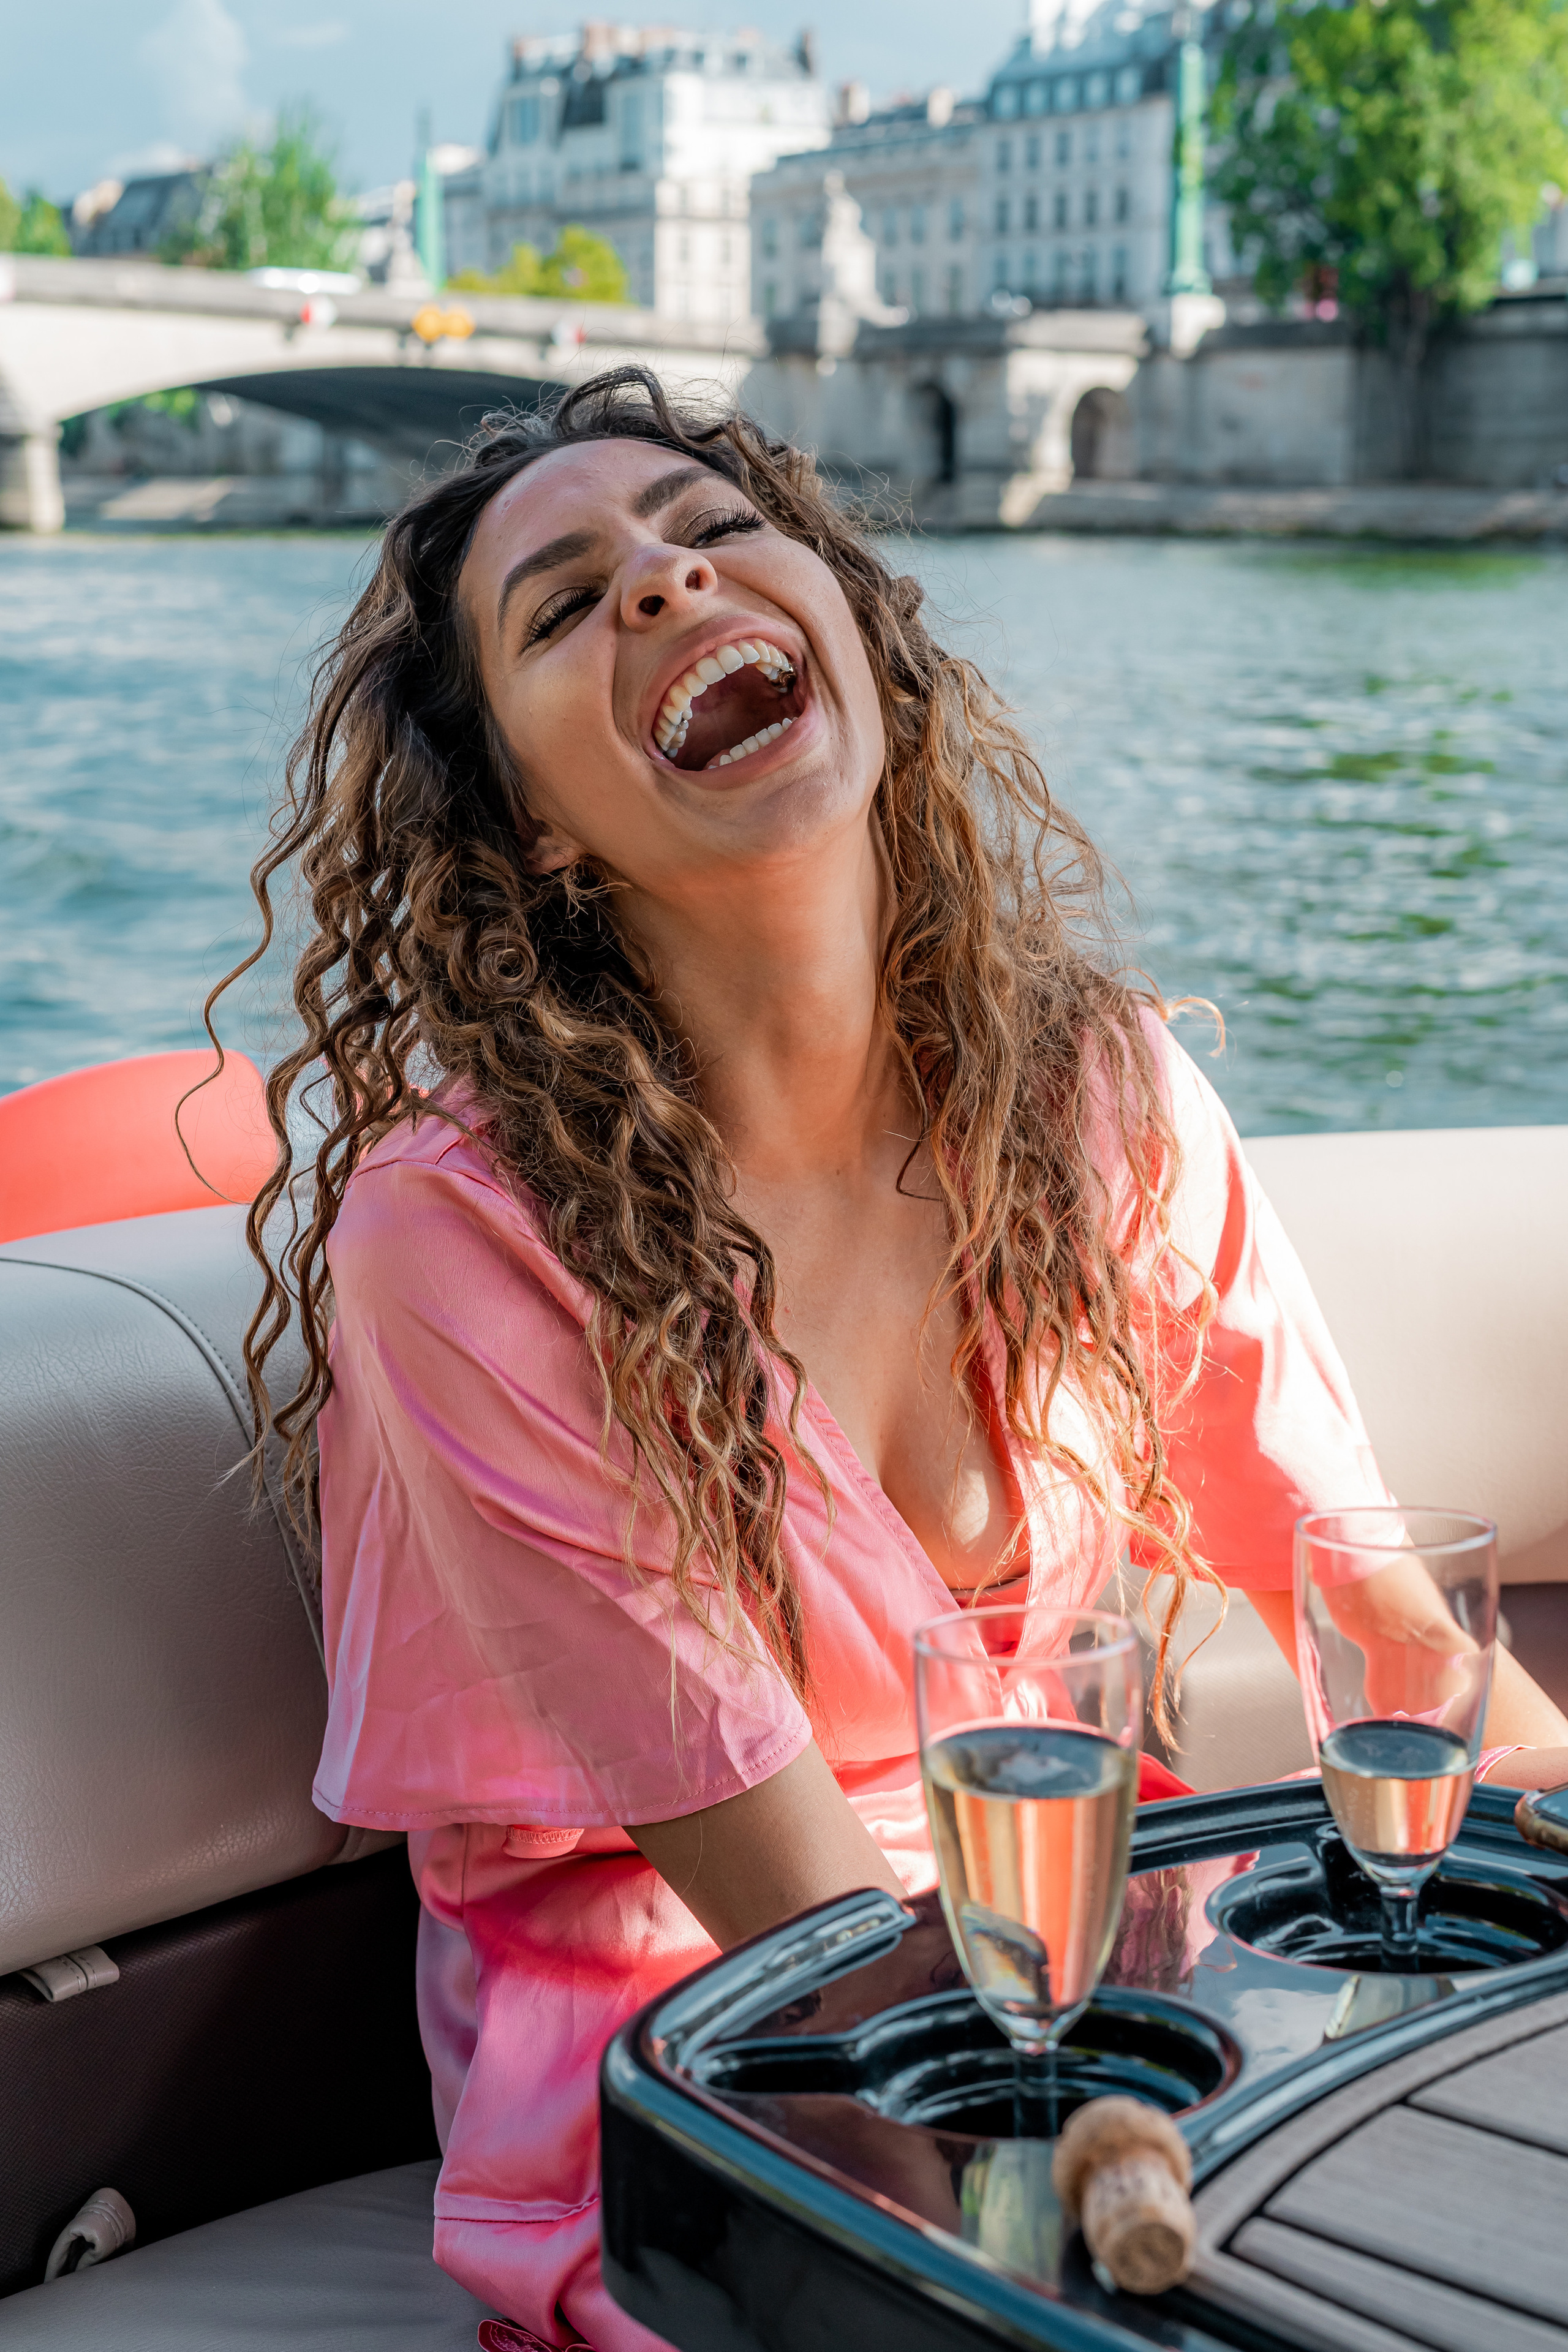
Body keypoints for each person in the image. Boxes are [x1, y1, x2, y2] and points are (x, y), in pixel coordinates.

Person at [225, 369, 1568, 2350]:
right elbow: (805, 1923)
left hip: (1105, 1995)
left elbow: (1387, 1629)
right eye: (568, 603)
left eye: (711, 530)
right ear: (533, 830)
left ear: (853, 628)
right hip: (722, 2088)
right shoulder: (470, 1243)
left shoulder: (1096, 1098)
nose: (668, 583)